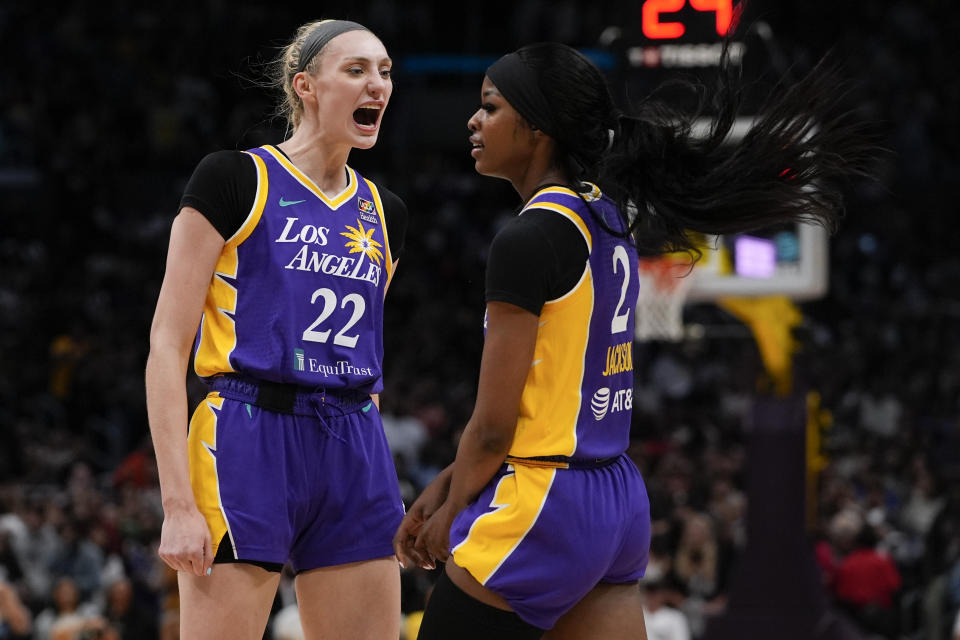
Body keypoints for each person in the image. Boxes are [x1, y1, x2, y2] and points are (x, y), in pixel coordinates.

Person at [393, 41, 876, 639]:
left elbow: (493, 424)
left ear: (537, 127)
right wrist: (446, 484)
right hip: (616, 502)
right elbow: (535, 407)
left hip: (546, 500)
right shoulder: (608, 215)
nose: (473, 120)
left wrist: (452, 511)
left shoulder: (528, 239)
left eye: (490, 107)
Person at [145, 19, 407, 640]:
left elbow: (364, 341)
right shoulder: (233, 178)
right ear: (306, 86)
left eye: (385, 71)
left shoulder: (386, 213)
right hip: (246, 433)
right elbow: (165, 346)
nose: (378, 85)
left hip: (352, 441)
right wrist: (178, 506)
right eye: (356, 70)